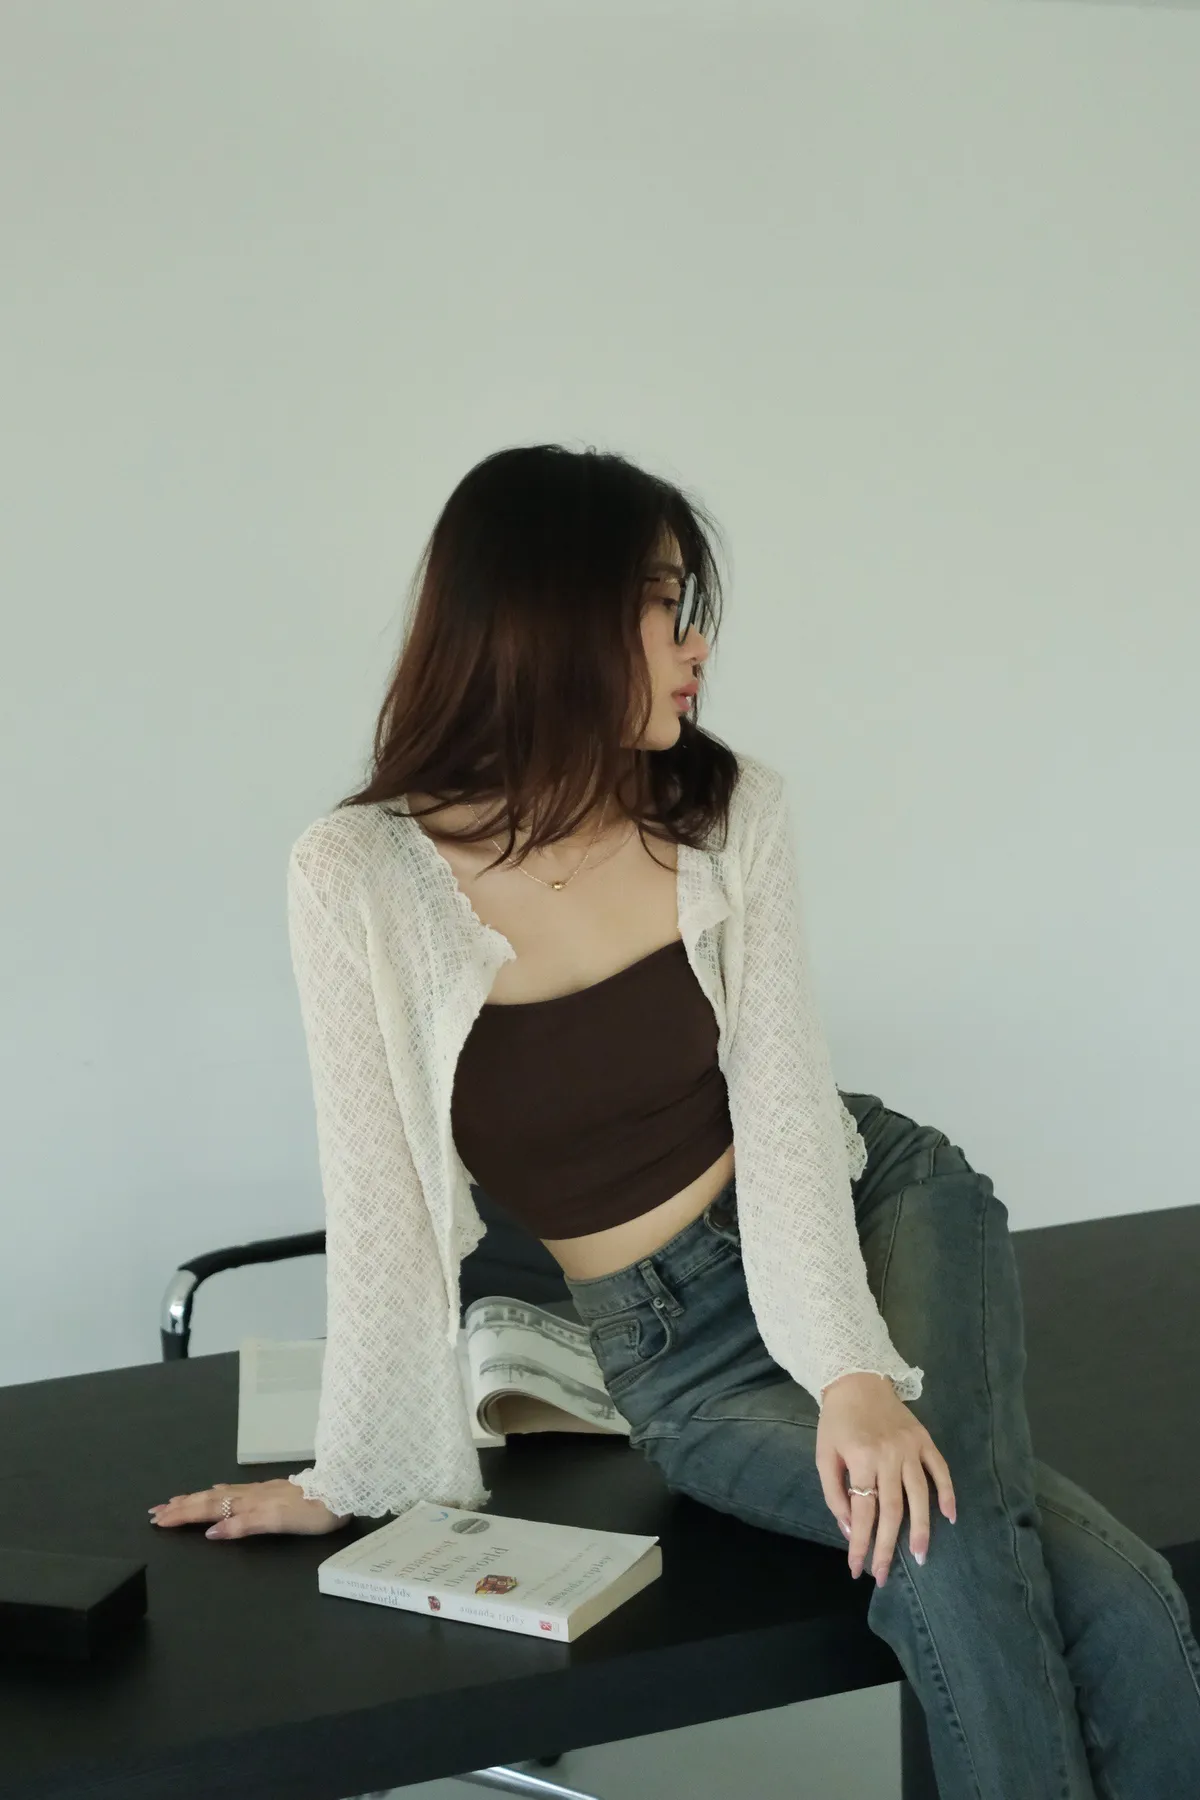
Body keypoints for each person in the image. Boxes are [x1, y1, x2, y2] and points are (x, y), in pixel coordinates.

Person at [149, 444, 1200, 1797]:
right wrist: (349, 1469)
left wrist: (852, 1374)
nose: (696, 643)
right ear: (552, 618)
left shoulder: (726, 810)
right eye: (659, 604)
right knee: (1087, 1586)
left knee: (948, 1534)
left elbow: (783, 1101)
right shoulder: (359, 874)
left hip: (876, 1206)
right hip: (675, 1360)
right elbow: (380, 1198)